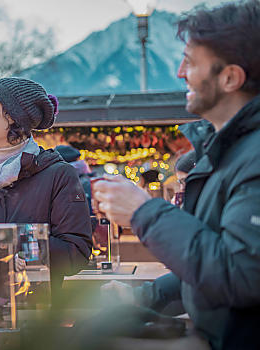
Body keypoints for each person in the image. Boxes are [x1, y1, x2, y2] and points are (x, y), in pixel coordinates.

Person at [94, 2, 260, 348]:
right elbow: (212, 253)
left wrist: (143, 211)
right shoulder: (228, 151)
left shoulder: (253, 156)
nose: (180, 71)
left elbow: (241, 274)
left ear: (230, 77)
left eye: (191, 61)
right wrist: (146, 295)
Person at [0, 77, 93, 299]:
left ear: (12, 116)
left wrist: (13, 240)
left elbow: (76, 254)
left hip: (32, 316)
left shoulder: (57, 175)